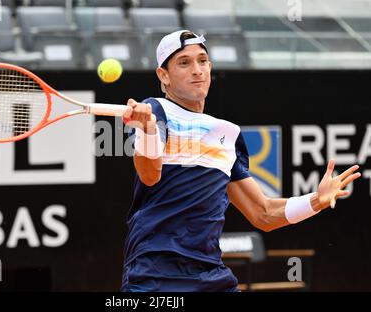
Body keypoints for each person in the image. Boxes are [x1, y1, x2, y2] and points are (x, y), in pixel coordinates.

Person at [120, 30, 361, 292]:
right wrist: (146, 131)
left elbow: (263, 214)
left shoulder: (227, 133)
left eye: (202, 61)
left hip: (211, 276)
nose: (197, 70)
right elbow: (149, 175)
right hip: (156, 274)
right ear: (163, 75)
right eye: (184, 63)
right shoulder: (155, 110)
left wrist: (316, 201)